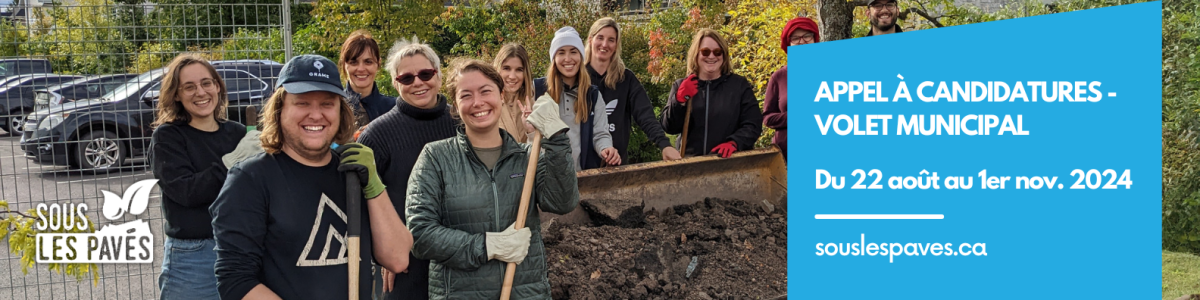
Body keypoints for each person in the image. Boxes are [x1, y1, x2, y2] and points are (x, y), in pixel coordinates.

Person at [210, 54, 413, 300]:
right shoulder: (250, 180)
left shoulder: (354, 174)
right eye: (302, 103)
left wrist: (374, 186)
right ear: (279, 109)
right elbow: (236, 281)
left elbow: (398, 259)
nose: (316, 115)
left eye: (327, 104)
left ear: (341, 111)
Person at [406, 58, 578, 300]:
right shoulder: (436, 158)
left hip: (526, 293)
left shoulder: (527, 157)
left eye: (486, 91)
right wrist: (486, 246)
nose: (478, 102)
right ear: (455, 106)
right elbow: (420, 234)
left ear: (500, 94)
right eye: (466, 95)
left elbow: (562, 203)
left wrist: (557, 138)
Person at [357, 37, 456, 300]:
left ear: (438, 75)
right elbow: (360, 204)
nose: (418, 83)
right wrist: (383, 255)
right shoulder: (378, 135)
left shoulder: (461, 125)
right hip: (406, 267)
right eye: (407, 78)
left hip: (461, 260)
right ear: (395, 83)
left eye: (425, 74)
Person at [150, 54, 244, 300]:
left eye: (206, 83)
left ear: (217, 86)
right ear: (177, 95)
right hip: (193, 258)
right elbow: (187, 192)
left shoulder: (237, 133)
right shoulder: (168, 137)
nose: (200, 92)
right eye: (189, 87)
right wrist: (231, 164)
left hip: (241, 250)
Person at [584, 17, 682, 163]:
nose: (605, 44)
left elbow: (645, 115)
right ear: (591, 40)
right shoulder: (578, 78)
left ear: (616, 45)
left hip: (616, 166)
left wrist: (664, 145)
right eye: (600, 38)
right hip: (582, 166)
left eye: (611, 40)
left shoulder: (626, 79)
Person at [661, 29, 764, 158]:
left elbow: (753, 123)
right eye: (705, 51)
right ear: (696, 54)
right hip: (692, 166)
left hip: (730, 164)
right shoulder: (682, 85)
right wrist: (679, 101)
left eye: (717, 52)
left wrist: (735, 143)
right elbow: (669, 127)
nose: (711, 56)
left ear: (724, 55)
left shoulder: (739, 86)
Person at [534, 26, 620, 171]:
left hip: (582, 178)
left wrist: (606, 148)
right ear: (554, 58)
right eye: (561, 52)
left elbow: (600, 133)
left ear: (581, 56)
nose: (568, 59)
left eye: (573, 52)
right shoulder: (538, 90)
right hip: (546, 180)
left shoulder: (592, 95)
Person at [764, 17, 819, 161]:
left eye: (807, 36)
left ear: (815, 40)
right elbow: (767, 117)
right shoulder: (779, 77)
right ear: (788, 45)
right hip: (786, 156)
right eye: (795, 38)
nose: (802, 41)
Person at [340, 30, 396, 127]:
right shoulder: (334, 106)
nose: (361, 69)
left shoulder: (393, 107)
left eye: (368, 62)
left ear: (378, 64)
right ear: (344, 65)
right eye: (354, 62)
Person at [492, 43, 534, 143]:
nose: (512, 76)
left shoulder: (533, 102)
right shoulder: (487, 103)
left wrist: (531, 132)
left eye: (519, 70)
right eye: (506, 68)